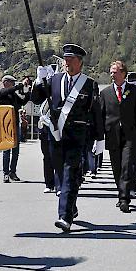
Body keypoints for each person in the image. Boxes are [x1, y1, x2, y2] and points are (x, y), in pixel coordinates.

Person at [32, 44, 103, 231]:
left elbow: (95, 112)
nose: (67, 63)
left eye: (71, 60)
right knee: (61, 176)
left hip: (77, 136)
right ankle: (70, 206)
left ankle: (65, 217)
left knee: (70, 174)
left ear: (80, 62)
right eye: (65, 60)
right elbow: (37, 98)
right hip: (55, 135)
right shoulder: (54, 80)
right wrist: (39, 81)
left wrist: (99, 138)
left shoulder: (89, 84)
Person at [99, 60, 136, 213]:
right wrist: (98, 137)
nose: (112, 75)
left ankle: (124, 199)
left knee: (127, 166)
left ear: (123, 73)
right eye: (111, 72)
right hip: (112, 135)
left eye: (115, 72)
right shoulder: (105, 93)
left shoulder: (134, 91)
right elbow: (101, 116)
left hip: (131, 135)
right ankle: (121, 193)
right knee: (117, 168)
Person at [0, 74, 31, 183]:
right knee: (6, 150)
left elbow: (22, 102)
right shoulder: (1, 93)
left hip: (15, 124)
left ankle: (13, 172)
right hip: (6, 125)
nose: (13, 84)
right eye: (12, 82)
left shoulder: (13, 95)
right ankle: (6, 173)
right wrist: (20, 85)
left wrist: (28, 92)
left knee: (15, 150)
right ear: (5, 82)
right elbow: (11, 90)